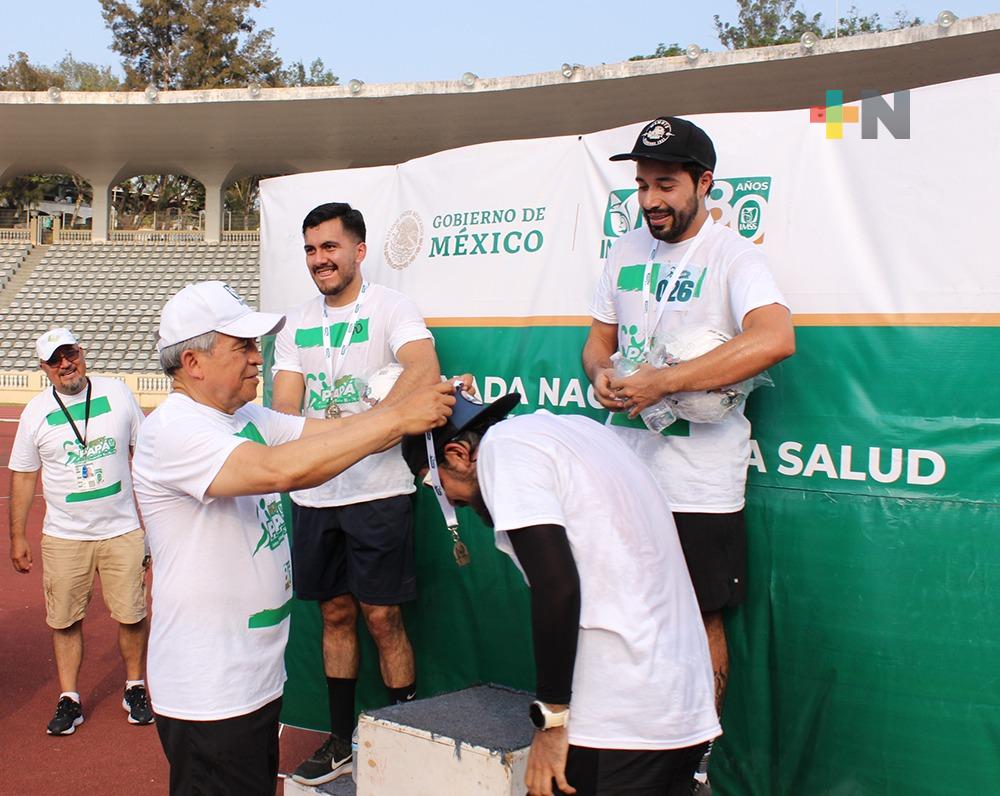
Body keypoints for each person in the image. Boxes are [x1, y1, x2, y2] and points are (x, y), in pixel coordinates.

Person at [131, 281, 453, 796]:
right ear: (193, 362)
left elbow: (324, 436)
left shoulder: (245, 417)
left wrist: (417, 405)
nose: (258, 359)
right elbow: (280, 469)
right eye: (243, 348)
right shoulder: (174, 429)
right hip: (210, 690)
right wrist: (398, 417)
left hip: (253, 679)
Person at [582, 115, 795, 788]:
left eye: (666, 184)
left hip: (698, 478)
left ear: (704, 183)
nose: (650, 200)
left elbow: (775, 338)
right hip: (626, 469)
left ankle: (695, 766)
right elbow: (598, 340)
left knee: (700, 617)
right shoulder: (623, 251)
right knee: (618, 608)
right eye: (642, 185)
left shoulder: (735, 256)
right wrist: (602, 376)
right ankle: (624, 745)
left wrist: (666, 381)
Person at [401, 389, 720, 796]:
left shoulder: (505, 449)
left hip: (621, 715)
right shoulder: (575, 430)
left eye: (435, 484)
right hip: (680, 706)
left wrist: (550, 721)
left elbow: (558, 588)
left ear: (460, 454)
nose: (450, 502)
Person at [270, 202, 441, 786]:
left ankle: (402, 742)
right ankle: (341, 742)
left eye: (330, 248)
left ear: (359, 251)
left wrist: (369, 428)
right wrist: (325, 443)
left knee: (382, 617)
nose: (320, 260)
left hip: (379, 491)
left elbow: (423, 369)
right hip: (316, 493)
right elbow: (285, 408)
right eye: (311, 250)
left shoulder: (392, 308)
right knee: (336, 614)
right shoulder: (295, 323)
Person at [8, 328, 153, 735]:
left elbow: (145, 455)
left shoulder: (118, 393)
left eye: (69, 353)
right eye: (54, 360)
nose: (65, 364)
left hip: (122, 529)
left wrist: (155, 522)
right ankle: (69, 696)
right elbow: (22, 476)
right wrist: (17, 537)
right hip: (64, 536)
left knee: (131, 613)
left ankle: (134, 686)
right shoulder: (35, 412)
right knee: (65, 620)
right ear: (43, 369)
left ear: (82, 352)